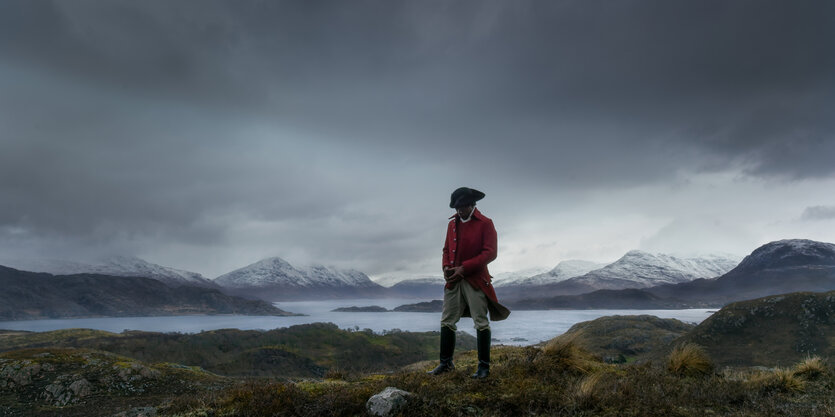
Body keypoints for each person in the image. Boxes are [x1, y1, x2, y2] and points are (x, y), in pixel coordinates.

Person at [428, 187, 510, 379]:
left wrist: (463, 268)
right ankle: (446, 363)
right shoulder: (452, 225)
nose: (459, 210)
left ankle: (484, 367)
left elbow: (490, 253)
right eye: (457, 207)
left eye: (463, 206)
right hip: (453, 280)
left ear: (472, 204)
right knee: (447, 320)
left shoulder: (486, 223)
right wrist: (446, 268)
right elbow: (446, 249)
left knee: (480, 322)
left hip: (474, 279)